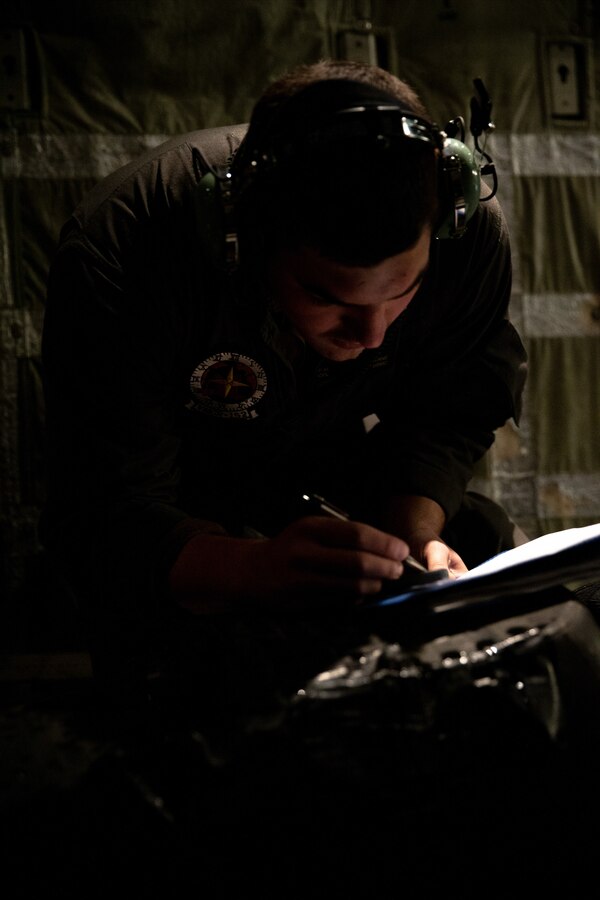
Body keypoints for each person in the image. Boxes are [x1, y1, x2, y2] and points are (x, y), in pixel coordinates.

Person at [39, 59, 527, 716]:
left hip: (340, 476)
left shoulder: (464, 236)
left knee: (483, 540)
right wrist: (248, 570)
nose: (374, 334)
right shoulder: (130, 244)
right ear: (242, 235)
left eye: (403, 291)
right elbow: (105, 505)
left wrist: (415, 534)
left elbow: (455, 406)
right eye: (327, 298)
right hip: (174, 503)